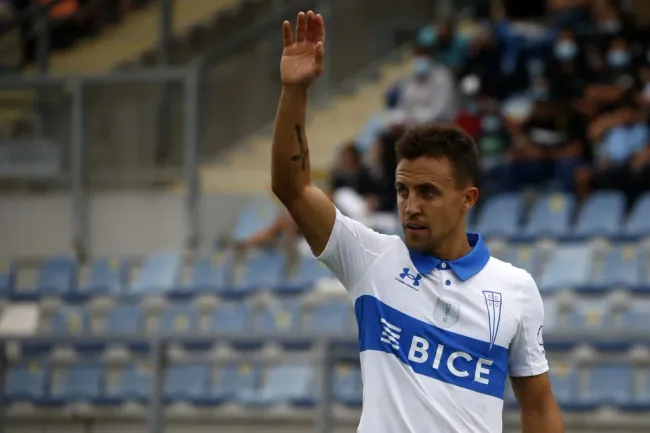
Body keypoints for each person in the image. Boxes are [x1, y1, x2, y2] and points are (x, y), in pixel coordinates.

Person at [271, 11, 564, 433]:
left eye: (427, 193)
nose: (410, 206)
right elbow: (293, 188)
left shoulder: (515, 290)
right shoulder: (370, 258)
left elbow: (537, 407)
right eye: (403, 190)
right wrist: (294, 91)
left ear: (468, 199)